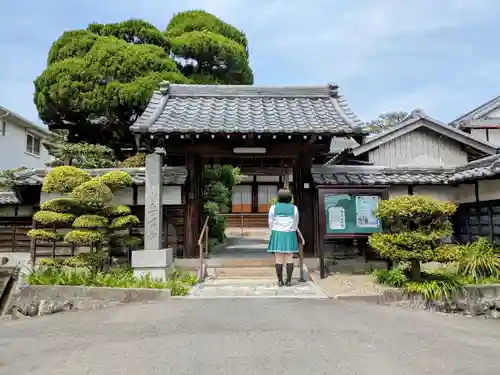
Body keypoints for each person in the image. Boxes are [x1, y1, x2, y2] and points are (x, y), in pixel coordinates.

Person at [267, 188, 299, 287]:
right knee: (290, 258)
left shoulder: (273, 208)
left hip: (277, 234)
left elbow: (270, 222)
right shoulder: (294, 208)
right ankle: (289, 281)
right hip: (290, 234)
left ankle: (280, 281)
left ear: (279, 197)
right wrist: (291, 229)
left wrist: (274, 230)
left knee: (279, 259)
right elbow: (296, 222)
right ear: (289, 197)